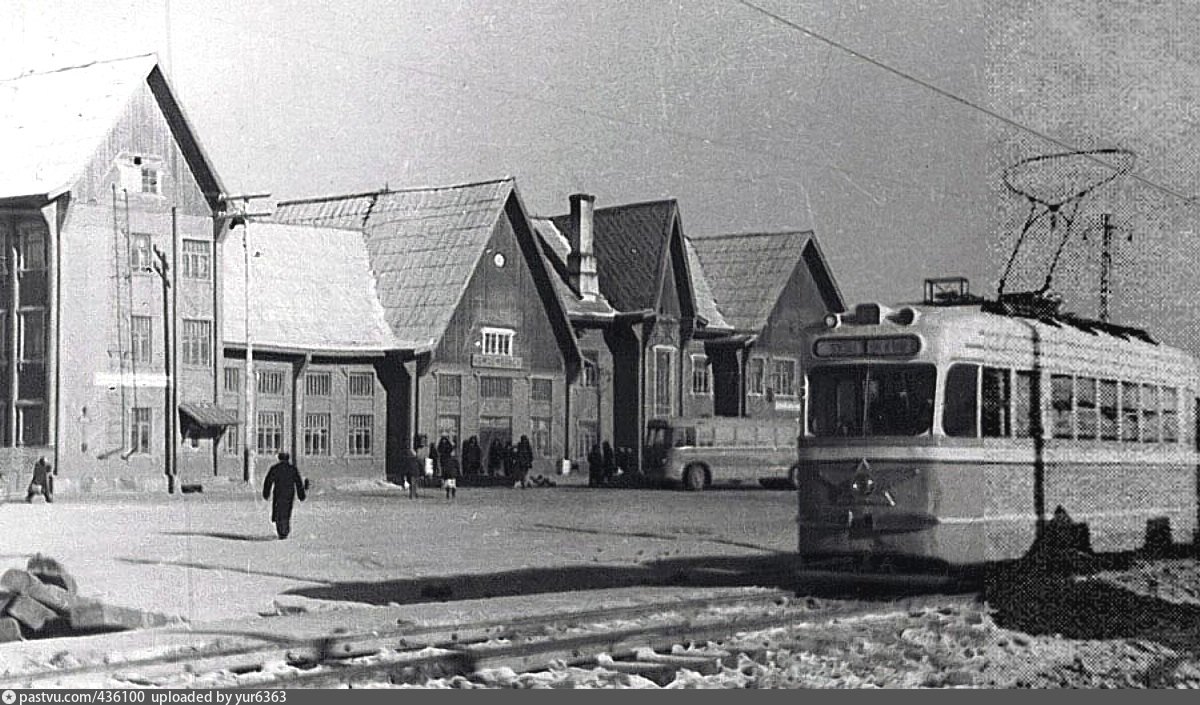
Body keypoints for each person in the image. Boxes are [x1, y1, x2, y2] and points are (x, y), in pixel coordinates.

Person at [262, 452, 306, 539]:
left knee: (278, 511)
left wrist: (266, 493)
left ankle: (281, 530)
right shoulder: (292, 469)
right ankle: (284, 530)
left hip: (279, 493)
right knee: (286, 512)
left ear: (279, 458)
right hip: (289, 494)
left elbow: (268, 481)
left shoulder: (275, 468)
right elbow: (298, 482)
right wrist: (301, 495)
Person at [410, 435, 429, 499]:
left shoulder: (423, 450)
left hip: (416, 471)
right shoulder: (419, 454)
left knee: (414, 482)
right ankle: (413, 494)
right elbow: (421, 463)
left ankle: (413, 494)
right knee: (414, 482)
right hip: (416, 471)